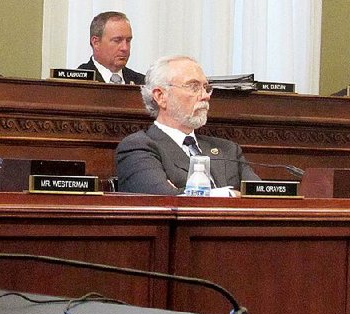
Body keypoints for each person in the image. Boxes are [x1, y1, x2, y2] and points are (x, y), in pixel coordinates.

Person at [116, 55, 259, 194]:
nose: (205, 96)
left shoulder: (228, 150)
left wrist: (181, 191)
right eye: (193, 87)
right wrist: (230, 195)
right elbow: (164, 200)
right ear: (161, 96)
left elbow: (260, 198)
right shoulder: (138, 147)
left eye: (206, 88)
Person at [78, 11, 144, 85]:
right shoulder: (76, 83)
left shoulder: (143, 84)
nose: (125, 48)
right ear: (96, 43)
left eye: (128, 41)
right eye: (117, 41)